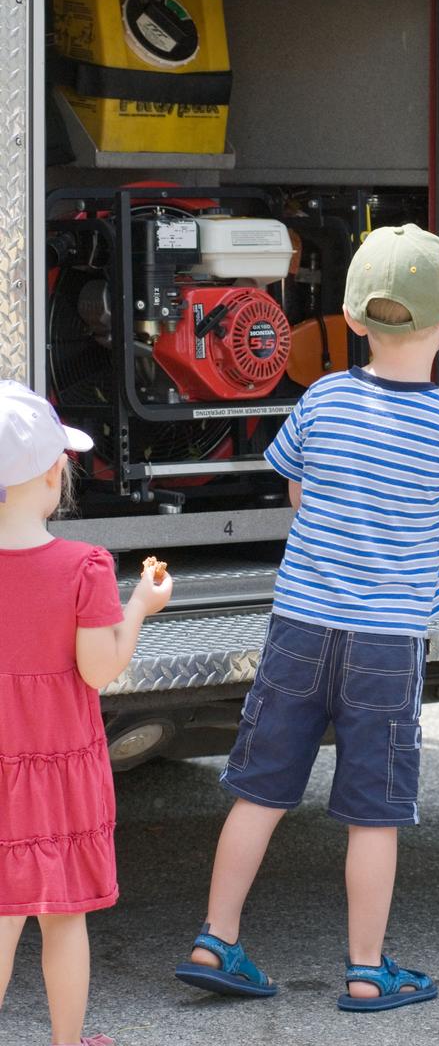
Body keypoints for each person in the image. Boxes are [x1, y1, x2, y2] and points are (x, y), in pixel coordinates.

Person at [175, 224, 439, 1011]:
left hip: (301, 626)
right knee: (371, 813)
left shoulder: (321, 398)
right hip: (388, 641)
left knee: (260, 791)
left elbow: (294, 491)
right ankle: (365, 967)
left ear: (350, 320)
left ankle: (216, 939)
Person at [0, 381, 172, 1046]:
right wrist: (139, 608)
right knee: (62, 917)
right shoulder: (84, 567)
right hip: (56, 772)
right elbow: (100, 669)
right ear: (52, 476)